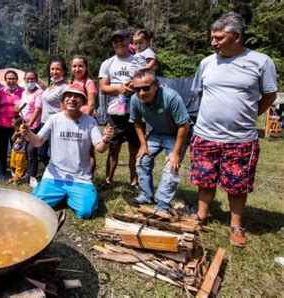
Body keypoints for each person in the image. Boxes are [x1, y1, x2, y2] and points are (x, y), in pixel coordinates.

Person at [189, 12, 277, 247]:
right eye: (212, 37)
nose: (213, 42)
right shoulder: (207, 62)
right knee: (204, 179)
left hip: (240, 139)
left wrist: (247, 115)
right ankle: (201, 216)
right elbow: (199, 92)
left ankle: (236, 226)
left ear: (237, 36)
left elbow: (269, 95)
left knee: (236, 184)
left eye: (219, 37)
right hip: (205, 134)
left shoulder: (260, 61)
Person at [20, 85, 114, 219]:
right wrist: (28, 134)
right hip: (55, 176)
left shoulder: (90, 121)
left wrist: (106, 139)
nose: (72, 99)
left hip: (80, 178)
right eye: (68, 96)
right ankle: (58, 194)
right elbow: (38, 141)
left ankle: (68, 197)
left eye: (77, 96)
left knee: (86, 213)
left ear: (83, 101)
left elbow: (100, 148)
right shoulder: (54, 119)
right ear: (63, 100)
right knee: (35, 206)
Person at [129, 69, 190, 211]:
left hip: (177, 133)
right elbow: (137, 122)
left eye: (146, 88)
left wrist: (175, 153)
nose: (141, 93)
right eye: (137, 89)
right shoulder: (135, 100)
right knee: (142, 159)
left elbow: (184, 125)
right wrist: (143, 145)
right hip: (157, 133)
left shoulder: (171, 97)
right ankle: (146, 195)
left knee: (171, 166)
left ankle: (162, 203)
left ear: (156, 85)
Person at [97, 30, 140, 191]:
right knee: (113, 149)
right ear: (112, 44)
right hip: (115, 113)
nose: (119, 43)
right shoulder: (107, 63)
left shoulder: (138, 60)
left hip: (136, 112)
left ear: (127, 40)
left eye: (122, 40)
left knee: (134, 150)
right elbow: (103, 88)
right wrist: (120, 88)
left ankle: (134, 182)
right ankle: (108, 180)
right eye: (115, 41)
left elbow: (147, 80)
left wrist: (134, 87)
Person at [69, 54, 98, 175]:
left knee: (88, 151)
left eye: (80, 66)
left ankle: (88, 177)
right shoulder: (71, 81)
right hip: (73, 119)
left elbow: (91, 105)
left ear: (85, 67)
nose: (77, 69)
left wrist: (81, 120)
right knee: (77, 150)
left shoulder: (89, 82)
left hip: (85, 121)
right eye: (74, 66)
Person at [38, 55, 68, 166]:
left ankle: (56, 174)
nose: (55, 71)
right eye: (52, 69)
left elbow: (63, 109)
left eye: (58, 69)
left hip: (56, 124)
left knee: (54, 153)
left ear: (63, 71)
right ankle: (51, 171)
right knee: (41, 152)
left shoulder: (64, 87)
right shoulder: (51, 85)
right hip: (44, 122)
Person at [0, 70, 24, 179]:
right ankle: (1, 172)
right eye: (9, 79)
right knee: (0, 149)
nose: (11, 81)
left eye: (13, 78)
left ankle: (16, 172)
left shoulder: (23, 92)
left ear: (17, 80)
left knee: (17, 149)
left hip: (16, 126)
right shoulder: (0, 92)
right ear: (5, 80)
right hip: (1, 124)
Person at [17, 70, 43, 182]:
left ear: (36, 80)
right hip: (24, 125)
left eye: (32, 79)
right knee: (26, 150)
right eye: (28, 79)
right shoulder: (24, 92)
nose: (30, 81)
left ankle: (32, 174)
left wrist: (29, 124)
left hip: (34, 125)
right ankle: (29, 172)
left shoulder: (39, 92)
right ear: (24, 80)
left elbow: (37, 110)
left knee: (32, 150)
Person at [9, 115, 28, 184]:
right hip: (14, 150)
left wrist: (22, 133)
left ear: (18, 125)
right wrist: (15, 134)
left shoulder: (24, 131)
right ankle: (14, 176)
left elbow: (27, 138)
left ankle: (17, 178)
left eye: (12, 123)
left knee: (19, 165)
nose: (11, 124)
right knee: (13, 163)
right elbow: (12, 139)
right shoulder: (15, 131)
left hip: (21, 152)